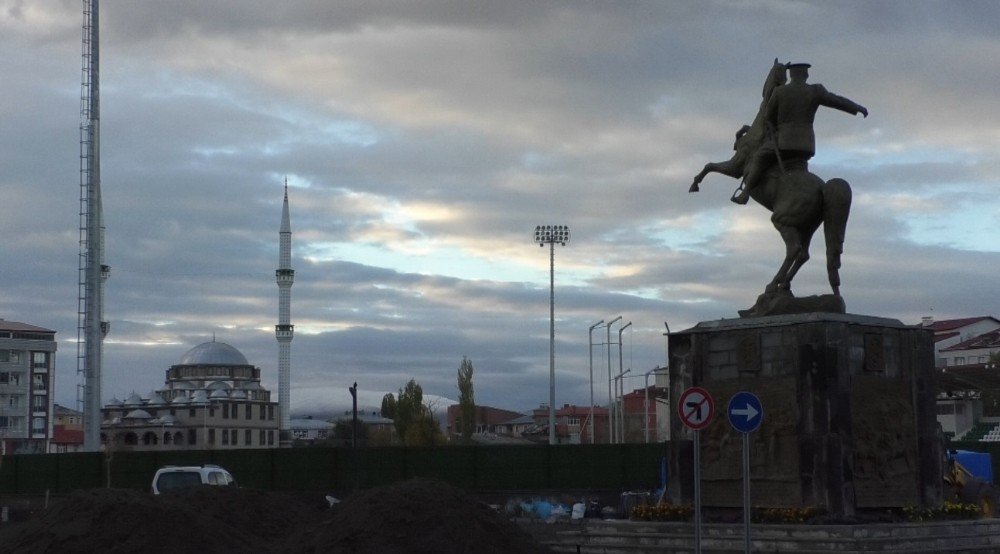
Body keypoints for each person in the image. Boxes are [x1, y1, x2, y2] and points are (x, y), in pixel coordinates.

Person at [735, 62, 867, 205]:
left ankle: (745, 192)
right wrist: (857, 108)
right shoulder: (815, 91)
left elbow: (767, 117)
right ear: (806, 75)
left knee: (760, 157)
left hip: (783, 145)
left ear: (791, 75)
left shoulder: (780, 92)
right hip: (806, 147)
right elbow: (836, 100)